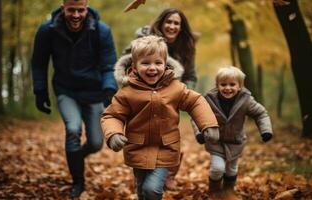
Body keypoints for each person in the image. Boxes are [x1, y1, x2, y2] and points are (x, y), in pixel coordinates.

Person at [101, 35, 219, 200]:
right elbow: (113, 115)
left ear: (165, 64)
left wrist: (208, 125)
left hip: (166, 148)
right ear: (134, 66)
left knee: (152, 190)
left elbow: (195, 102)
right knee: (142, 190)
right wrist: (113, 133)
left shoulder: (175, 88)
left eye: (158, 63)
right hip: (137, 148)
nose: (152, 68)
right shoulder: (127, 92)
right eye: (145, 63)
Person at [31, 0, 118, 197]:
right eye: (72, 10)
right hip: (66, 90)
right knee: (72, 129)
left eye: (81, 10)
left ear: (86, 9)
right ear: (63, 9)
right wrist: (40, 91)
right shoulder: (48, 30)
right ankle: (78, 182)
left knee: (96, 143)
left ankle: (76, 157)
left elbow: (108, 65)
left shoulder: (101, 31)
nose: (76, 15)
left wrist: (109, 90)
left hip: (94, 91)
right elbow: (39, 63)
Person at [114, 7, 198, 191]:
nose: (172, 26)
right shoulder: (144, 39)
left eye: (177, 23)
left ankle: (166, 176)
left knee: (169, 137)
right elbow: (127, 60)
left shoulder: (186, 45)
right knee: (143, 132)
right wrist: (129, 83)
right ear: (161, 23)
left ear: (181, 27)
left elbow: (191, 74)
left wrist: (182, 92)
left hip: (171, 95)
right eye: (169, 22)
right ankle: (143, 174)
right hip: (142, 93)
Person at [192, 66, 273, 198]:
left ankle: (228, 192)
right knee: (218, 168)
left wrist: (266, 131)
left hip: (236, 142)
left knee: (231, 169)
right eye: (223, 84)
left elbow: (261, 114)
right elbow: (197, 115)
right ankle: (214, 192)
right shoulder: (209, 100)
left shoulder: (246, 100)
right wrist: (199, 132)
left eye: (232, 84)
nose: (227, 88)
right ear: (217, 85)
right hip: (215, 141)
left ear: (240, 86)